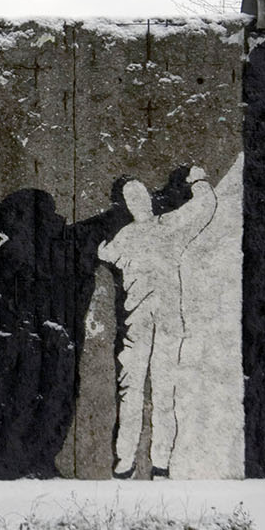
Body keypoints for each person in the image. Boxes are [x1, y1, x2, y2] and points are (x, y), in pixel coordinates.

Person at [98, 166, 216, 479]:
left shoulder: (168, 225)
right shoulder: (125, 236)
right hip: (137, 327)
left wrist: (199, 180)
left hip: (166, 325)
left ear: (149, 198)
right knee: (131, 393)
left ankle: (161, 464)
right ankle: (125, 463)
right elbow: (107, 253)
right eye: (131, 195)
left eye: (141, 193)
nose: (139, 199)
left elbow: (205, 207)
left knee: (164, 394)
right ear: (126, 204)